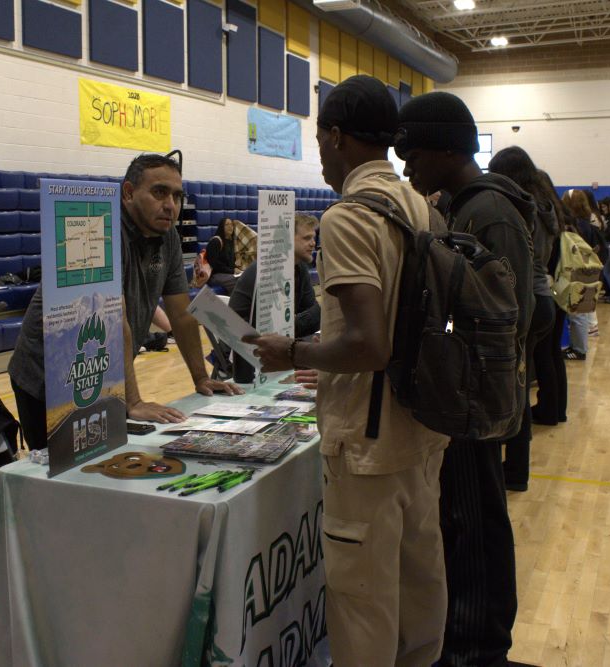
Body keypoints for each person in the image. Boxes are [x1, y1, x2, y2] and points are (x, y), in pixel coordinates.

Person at [248, 75, 449, 667]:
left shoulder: (349, 217)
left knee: (363, 606)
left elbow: (368, 344)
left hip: (367, 443)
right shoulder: (422, 208)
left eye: (318, 141)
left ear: (336, 137)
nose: (319, 157)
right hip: (420, 428)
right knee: (419, 583)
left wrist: (297, 353)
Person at [396, 90, 534, 667]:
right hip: (470, 390)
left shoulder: (488, 212)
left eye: (414, 154)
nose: (407, 167)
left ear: (445, 149)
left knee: (475, 528)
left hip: (476, 397)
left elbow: (506, 320)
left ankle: (478, 647)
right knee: (466, 522)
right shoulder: (470, 206)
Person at [7, 152, 242, 449]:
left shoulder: (167, 236)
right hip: (48, 374)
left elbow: (181, 314)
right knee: (59, 475)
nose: (170, 205)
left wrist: (200, 378)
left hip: (100, 370)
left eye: (177, 195)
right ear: (128, 193)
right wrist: (133, 401)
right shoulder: (98, 228)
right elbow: (112, 322)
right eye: (159, 192)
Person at [488, 147, 559, 491]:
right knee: (521, 383)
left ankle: (515, 470)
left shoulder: (516, 208)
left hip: (527, 301)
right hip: (544, 298)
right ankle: (518, 466)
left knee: (515, 392)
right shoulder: (544, 205)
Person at [228, 213, 321, 383]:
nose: (313, 243)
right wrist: (292, 325)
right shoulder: (263, 271)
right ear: (288, 240)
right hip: (244, 358)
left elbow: (316, 314)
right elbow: (257, 328)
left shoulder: (300, 269)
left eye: (313, 238)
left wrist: (290, 324)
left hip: (280, 346)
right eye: (307, 238)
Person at [529, 170, 570, 426]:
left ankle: (547, 409)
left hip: (544, 288)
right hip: (560, 289)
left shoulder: (534, 215)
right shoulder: (558, 216)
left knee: (543, 355)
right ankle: (557, 409)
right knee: (553, 353)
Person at [561, 189, 603, 360]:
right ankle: (579, 346)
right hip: (590, 269)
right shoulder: (591, 224)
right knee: (583, 308)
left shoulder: (573, 225)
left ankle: (579, 349)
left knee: (576, 310)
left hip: (575, 269)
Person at [205, 218, 239, 294]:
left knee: (244, 277)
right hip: (214, 275)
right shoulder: (216, 241)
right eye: (227, 224)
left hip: (226, 274)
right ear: (221, 227)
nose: (230, 227)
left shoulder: (231, 242)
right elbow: (214, 264)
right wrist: (232, 271)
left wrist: (236, 269)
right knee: (239, 281)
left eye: (231, 224)